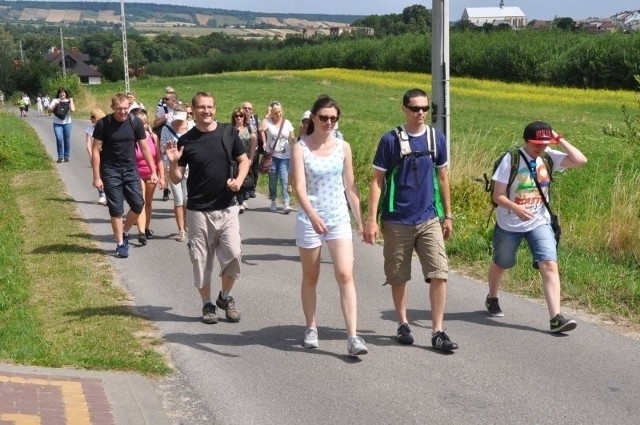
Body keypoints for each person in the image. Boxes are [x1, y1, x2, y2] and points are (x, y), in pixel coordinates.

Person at [363, 88, 458, 352]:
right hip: (397, 220)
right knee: (398, 276)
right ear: (404, 109)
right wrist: (372, 220)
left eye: (425, 109)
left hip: (429, 218)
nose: (421, 113)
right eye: (415, 108)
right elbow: (376, 181)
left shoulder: (436, 139)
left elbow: (442, 177)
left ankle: (438, 331)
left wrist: (447, 214)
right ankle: (403, 323)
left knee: (439, 273)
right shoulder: (390, 141)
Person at [485, 121, 587, 333]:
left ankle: (556, 317)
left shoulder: (549, 157)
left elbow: (580, 160)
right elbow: (498, 195)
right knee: (502, 262)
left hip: (539, 221)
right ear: (525, 140)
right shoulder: (511, 159)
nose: (539, 147)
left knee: (549, 264)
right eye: (535, 143)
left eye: (543, 143)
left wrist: (559, 140)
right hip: (510, 223)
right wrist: (516, 208)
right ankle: (492, 297)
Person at [291, 95, 368, 356]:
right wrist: (312, 216)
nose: (328, 122)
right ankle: (311, 327)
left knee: (345, 274)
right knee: (311, 276)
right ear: (313, 117)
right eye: (323, 117)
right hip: (310, 218)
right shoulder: (301, 147)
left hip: (337, 218)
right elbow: (298, 188)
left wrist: (362, 222)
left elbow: (350, 186)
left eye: (333, 118)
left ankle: (353, 337)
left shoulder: (343, 147)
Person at [165, 91, 250, 324]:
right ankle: (207, 304)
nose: (206, 111)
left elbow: (244, 161)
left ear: (215, 108)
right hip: (198, 210)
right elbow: (175, 178)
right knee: (201, 259)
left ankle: (225, 297)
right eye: (201, 107)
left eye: (210, 107)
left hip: (227, 207)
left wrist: (239, 181)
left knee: (234, 254)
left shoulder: (228, 133)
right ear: (193, 109)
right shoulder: (187, 140)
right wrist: (173, 162)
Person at [91, 93, 159, 258]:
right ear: (113, 107)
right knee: (116, 210)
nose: (123, 112)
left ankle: (125, 230)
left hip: (130, 169)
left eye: (126, 108)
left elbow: (144, 148)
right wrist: (96, 176)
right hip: (111, 171)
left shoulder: (134, 123)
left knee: (138, 204)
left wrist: (153, 171)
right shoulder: (103, 124)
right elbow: (95, 150)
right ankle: (120, 244)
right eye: (119, 109)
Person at [132, 109, 165, 246]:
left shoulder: (153, 137)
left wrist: (162, 177)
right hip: (136, 173)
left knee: (149, 203)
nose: (143, 126)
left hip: (151, 173)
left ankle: (145, 228)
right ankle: (140, 232)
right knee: (141, 202)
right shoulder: (131, 138)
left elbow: (158, 158)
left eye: (145, 123)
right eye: (140, 123)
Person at [160, 105, 190, 241]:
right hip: (172, 168)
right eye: (177, 119)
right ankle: (181, 230)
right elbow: (162, 149)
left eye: (181, 119)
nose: (179, 122)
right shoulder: (166, 129)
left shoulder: (192, 127)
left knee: (187, 198)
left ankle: (188, 223)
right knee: (178, 198)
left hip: (190, 168)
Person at [260, 101, 296, 213]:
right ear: (272, 113)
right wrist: (266, 115)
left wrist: (296, 145)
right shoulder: (268, 122)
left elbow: (292, 138)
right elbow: (260, 128)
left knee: (285, 179)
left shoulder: (287, 123)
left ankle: (286, 203)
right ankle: (273, 200)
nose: (279, 114)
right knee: (273, 180)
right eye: (276, 112)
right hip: (272, 156)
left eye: (280, 111)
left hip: (285, 156)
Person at [231, 106, 256, 213]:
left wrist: (251, 158)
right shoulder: (231, 129)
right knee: (237, 179)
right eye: (236, 116)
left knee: (248, 182)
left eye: (241, 116)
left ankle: (239, 198)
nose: (239, 118)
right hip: (233, 159)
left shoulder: (249, 128)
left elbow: (253, 145)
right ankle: (239, 203)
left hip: (245, 159)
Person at [85, 109, 108, 205]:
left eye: (93, 117)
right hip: (96, 155)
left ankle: (109, 194)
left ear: (98, 118)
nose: (91, 119)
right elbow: (88, 143)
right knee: (98, 174)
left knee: (107, 174)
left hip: (106, 154)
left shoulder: (106, 127)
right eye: (91, 117)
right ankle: (102, 195)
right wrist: (91, 155)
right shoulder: (89, 129)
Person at [48, 88, 76, 163]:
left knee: (66, 140)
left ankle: (66, 156)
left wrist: (71, 100)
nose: (62, 94)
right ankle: (60, 157)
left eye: (63, 93)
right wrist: (55, 105)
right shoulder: (55, 100)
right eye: (60, 93)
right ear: (58, 94)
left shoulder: (69, 101)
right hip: (57, 123)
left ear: (66, 94)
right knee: (59, 139)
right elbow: (49, 110)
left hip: (67, 123)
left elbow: (73, 110)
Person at [242, 101, 262, 198]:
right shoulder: (239, 118)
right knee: (245, 169)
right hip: (244, 150)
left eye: (249, 108)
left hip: (256, 149)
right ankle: (245, 190)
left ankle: (252, 189)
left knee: (254, 169)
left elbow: (262, 130)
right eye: (245, 108)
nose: (247, 110)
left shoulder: (256, 119)